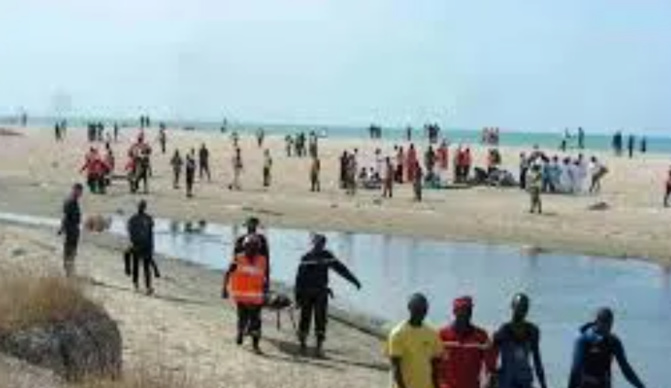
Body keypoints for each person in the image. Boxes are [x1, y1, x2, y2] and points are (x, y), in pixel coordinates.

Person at [295, 234, 361, 356]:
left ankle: (319, 346)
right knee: (305, 318)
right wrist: (297, 298)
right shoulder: (306, 257)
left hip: (321, 292)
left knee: (321, 320)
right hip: (307, 293)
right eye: (317, 243)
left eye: (321, 244)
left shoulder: (327, 256)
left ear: (323, 244)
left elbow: (341, 269)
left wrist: (354, 281)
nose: (319, 246)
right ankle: (303, 344)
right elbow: (299, 279)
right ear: (313, 243)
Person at [568, 308, 646, 388]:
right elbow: (575, 370)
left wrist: (641, 386)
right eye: (605, 324)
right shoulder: (583, 340)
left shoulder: (613, 341)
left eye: (610, 324)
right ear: (597, 322)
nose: (608, 328)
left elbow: (626, 369)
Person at [222, 234, 269, 352]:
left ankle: (255, 345)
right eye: (249, 247)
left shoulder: (263, 260)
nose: (252, 250)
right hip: (241, 296)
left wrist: (265, 291)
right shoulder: (238, 258)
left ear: (258, 248)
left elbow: (264, 277)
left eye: (254, 247)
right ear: (245, 247)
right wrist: (224, 289)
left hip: (256, 297)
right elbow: (228, 273)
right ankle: (240, 332)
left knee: (256, 321)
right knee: (242, 318)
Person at [438, 296, 496, 388]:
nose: (465, 313)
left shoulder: (481, 336)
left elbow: (491, 366)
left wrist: (489, 381)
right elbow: (434, 363)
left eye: (468, 310)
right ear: (454, 312)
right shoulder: (442, 335)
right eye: (461, 310)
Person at [387, 293, 443, 388]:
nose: (421, 312)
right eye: (417, 308)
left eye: (424, 309)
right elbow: (395, 367)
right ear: (409, 308)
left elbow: (435, 366)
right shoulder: (397, 333)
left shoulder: (432, 334)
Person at [493, 293, 548, 388]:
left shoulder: (533, 331)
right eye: (518, 306)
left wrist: (543, 384)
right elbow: (491, 358)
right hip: (506, 382)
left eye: (524, 307)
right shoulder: (504, 330)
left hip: (525, 381)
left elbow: (537, 361)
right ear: (512, 306)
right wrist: (491, 378)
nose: (521, 310)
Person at [127, 200, 159, 295]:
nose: (141, 208)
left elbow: (130, 232)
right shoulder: (147, 218)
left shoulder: (133, 218)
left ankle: (138, 285)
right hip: (144, 245)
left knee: (138, 265)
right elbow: (150, 233)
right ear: (145, 207)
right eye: (141, 206)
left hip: (140, 245)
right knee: (145, 267)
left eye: (141, 206)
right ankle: (146, 287)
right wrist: (151, 246)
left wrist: (133, 243)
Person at [59, 184, 84, 277]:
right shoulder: (70, 201)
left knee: (72, 250)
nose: (81, 193)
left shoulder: (74, 200)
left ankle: (70, 270)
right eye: (79, 191)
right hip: (70, 229)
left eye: (81, 191)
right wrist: (62, 228)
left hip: (73, 229)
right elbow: (65, 216)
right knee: (69, 250)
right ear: (75, 190)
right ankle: (68, 271)